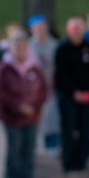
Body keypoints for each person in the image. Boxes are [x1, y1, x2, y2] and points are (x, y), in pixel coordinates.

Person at [0, 31, 49, 178]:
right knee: (13, 152)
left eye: (23, 47)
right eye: (16, 47)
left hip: (32, 117)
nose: (20, 50)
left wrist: (34, 107)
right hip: (11, 118)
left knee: (28, 151)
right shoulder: (3, 69)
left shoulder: (35, 68)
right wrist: (19, 106)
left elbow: (44, 90)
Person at [54, 17, 89, 178]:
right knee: (69, 130)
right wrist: (74, 92)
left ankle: (82, 162)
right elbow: (61, 75)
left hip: (87, 97)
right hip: (68, 98)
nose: (76, 31)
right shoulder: (62, 49)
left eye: (79, 28)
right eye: (73, 28)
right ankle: (69, 164)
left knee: (85, 130)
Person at [28, 15, 61, 155]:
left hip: (50, 88)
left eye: (43, 27)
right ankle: (33, 145)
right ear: (32, 29)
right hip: (32, 90)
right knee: (32, 118)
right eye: (38, 28)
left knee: (52, 118)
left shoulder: (55, 46)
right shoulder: (28, 46)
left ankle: (52, 144)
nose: (41, 30)